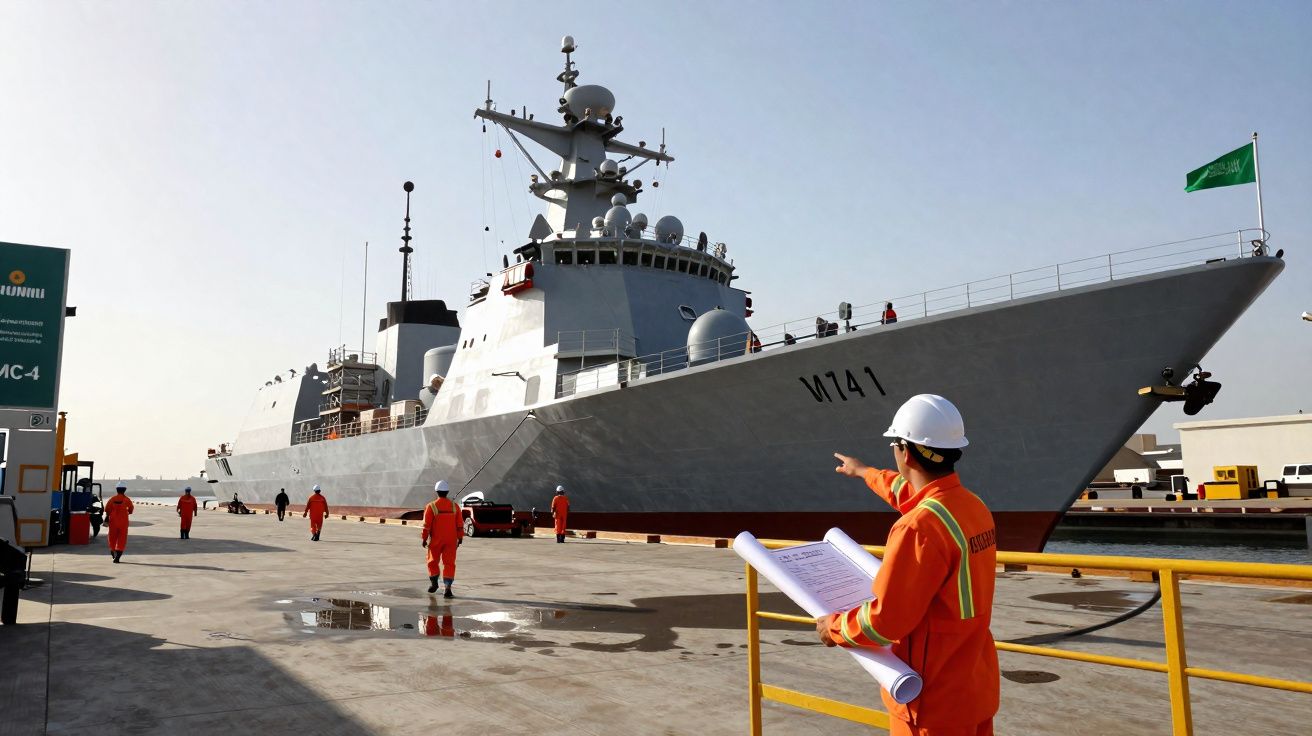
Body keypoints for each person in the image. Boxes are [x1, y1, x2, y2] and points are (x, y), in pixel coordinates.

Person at [818, 394, 998, 736]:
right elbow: (909, 491)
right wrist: (864, 472)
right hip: (974, 688)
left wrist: (836, 628)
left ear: (904, 451)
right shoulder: (973, 508)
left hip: (931, 702)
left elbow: (887, 621)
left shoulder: (918, 528)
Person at [421, 480, 464, 597]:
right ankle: (447, 588)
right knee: (449, 564)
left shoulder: (431, 507)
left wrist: (424, 538)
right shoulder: (455, 507)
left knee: (432, 561)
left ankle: (434, 583)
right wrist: (460, 538)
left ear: (436, 492)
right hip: (451, 541)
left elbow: (426, 526)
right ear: (447, 492)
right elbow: (460, 525)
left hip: (436, 541)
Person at [104, 482, 135, 563]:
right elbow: (131, 509)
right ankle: (117, 557)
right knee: (122, 538)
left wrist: (108, 515)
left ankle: (113, 553)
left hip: (113, 521)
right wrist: (128, 511)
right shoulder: (127, 499)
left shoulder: (112, 499)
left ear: (116, 489)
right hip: (123, 522)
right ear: (125, 490)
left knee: (112, 537)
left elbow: (107, 509)